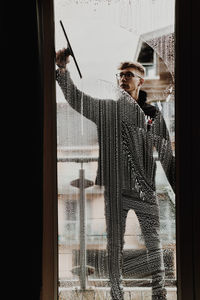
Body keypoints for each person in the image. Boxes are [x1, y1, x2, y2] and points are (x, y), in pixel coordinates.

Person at [56, 48, 175, 300]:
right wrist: (63, 71)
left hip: (145, 191)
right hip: (114, 190)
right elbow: (77, 99)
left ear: (140, 80)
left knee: (154, 245)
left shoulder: (151, 114)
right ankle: (116, 295)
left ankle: (159, 295)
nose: (122, 79)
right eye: (119, 75)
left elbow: (165, 154)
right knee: (114, 247)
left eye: (128, 75)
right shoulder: (107, 109)